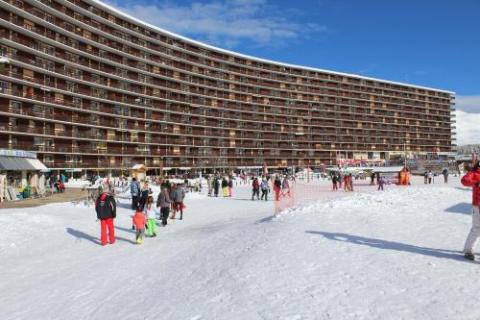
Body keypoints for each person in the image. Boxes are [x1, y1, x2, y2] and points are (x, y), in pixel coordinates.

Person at [461, 161, 480, 260]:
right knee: (477, 228)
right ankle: (468, 250)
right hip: (478, 206)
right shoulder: (474, 174)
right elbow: (464, 180)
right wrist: (475, 180)